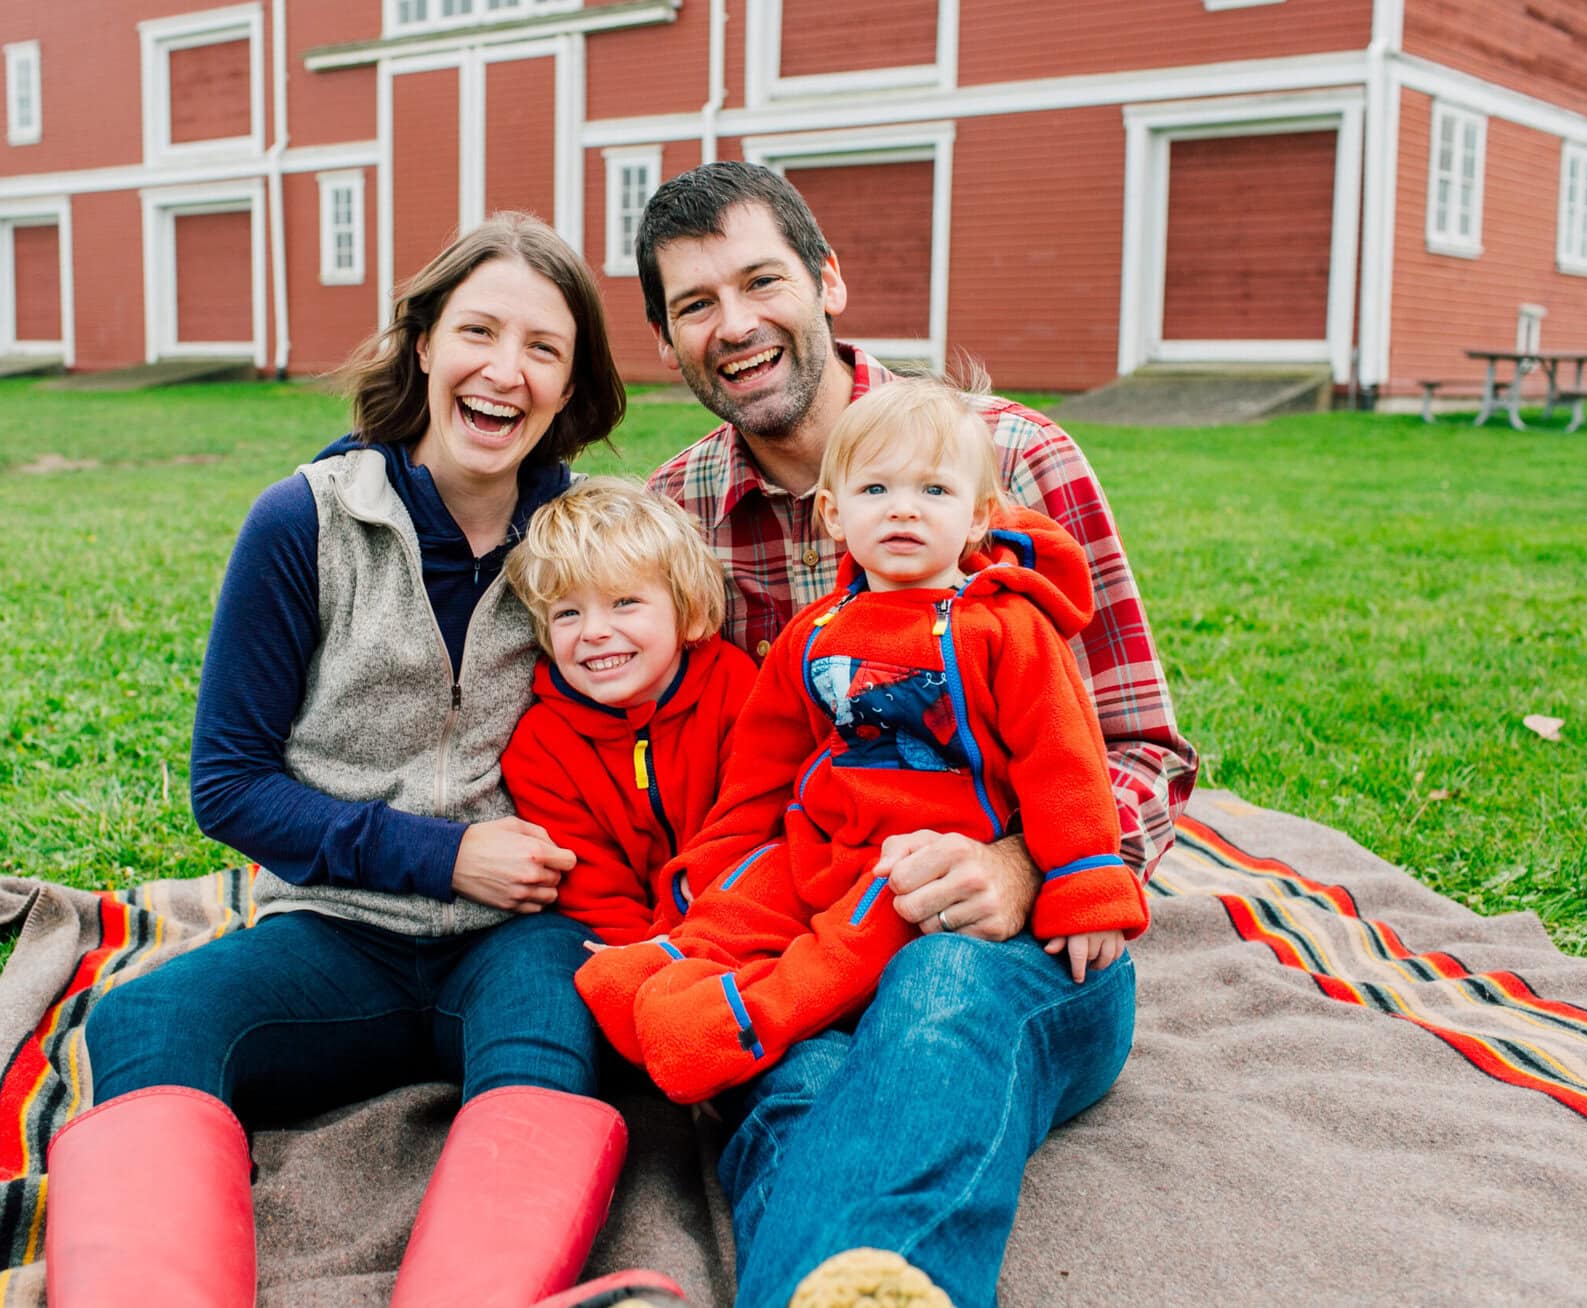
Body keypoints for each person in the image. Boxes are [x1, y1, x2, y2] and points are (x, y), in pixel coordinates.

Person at [47, 214, 673, 1308]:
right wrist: (444, 856)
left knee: (553, 1029)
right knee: (142, 1018)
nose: (504, 371)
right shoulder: (304, 522)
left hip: (525, 931)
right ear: (424, 343)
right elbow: (228, 785)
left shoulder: (594, 544)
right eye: (478, 330)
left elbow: (682, 725)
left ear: (570, 385)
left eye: (543, 348)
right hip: (335, 930)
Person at [636, 162, 1200, 1306]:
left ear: (827, 281)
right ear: (667, 342)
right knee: (788, 1072)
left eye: (760, 282)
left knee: (937, 992)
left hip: (1012, 943)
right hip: (814, 928)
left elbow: (1143, 749)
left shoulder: (1010, 459)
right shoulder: (675, 513)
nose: (734, 325)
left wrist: (1026, 864)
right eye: (695, 305)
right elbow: (713, 769)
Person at [577, 376, 1149, 1108]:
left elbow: (1063, 763)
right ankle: (663, 967)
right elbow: (758, 776)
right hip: (820, 839)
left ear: (978, 519)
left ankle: (745, 1020)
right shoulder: (811, 634)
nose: (904, 508)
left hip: (920, 857)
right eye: (875, 489)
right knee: (751, 894)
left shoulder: (1005, 627)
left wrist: (1085, 885)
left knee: (847, 944)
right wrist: (699, 891)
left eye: (934, 492)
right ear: (834, 514)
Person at [499, 477, 760, 947]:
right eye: (567, 613)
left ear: (688, 612)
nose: (595, 631)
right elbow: (591, 884)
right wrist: (645, 953)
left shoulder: (736, 691)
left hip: (738, 919)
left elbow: (749, 828)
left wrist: (691, 937)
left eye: (625, 603)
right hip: (626, 942)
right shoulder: (541, 747)